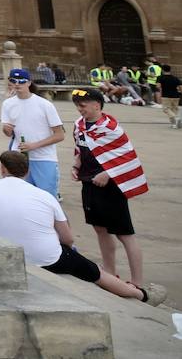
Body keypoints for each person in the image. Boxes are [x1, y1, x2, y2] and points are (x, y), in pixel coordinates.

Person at [0, 151, 165, 306]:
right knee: (95, 272)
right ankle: (141, 295)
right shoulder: (45, 196)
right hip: (47, 259)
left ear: (2, 169)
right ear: (28, 171)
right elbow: (68, 239)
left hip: (6, 254)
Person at [71, 88, 150, 287]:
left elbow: (127, 157)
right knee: (99, 228)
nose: (80, 109)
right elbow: (81, 149)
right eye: (77, 106)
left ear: (97, 105)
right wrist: (76, 166)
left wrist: (108, 173)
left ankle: (137, 282)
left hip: (112, 188)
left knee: (124, 234)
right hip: (89, 183)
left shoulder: (111, 129)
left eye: (83, 105)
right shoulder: (79, 125)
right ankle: (109, 272)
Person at [0, 67, 65, 198]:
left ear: (29, 83)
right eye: (13, 81)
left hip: (44, 157)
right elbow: (8, 133)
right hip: (19, 157)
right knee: (21, 197)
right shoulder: (7, 104)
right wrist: (6, 130)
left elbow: (59, 135)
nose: (17, 84)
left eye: (22, 81)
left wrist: (34, 145)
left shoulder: (44, 105)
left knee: (46, 197)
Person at [159, 64, 181, 129]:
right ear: (170, 70)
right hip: (176, 96)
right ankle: (174, 124)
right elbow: (180, 87)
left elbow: (158, 86)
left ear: (162, 70)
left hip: (166, 95)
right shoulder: (175, 78)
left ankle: (176, 118)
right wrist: (180, 92)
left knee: (166, 109)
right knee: (174, 109)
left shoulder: (161, 77)